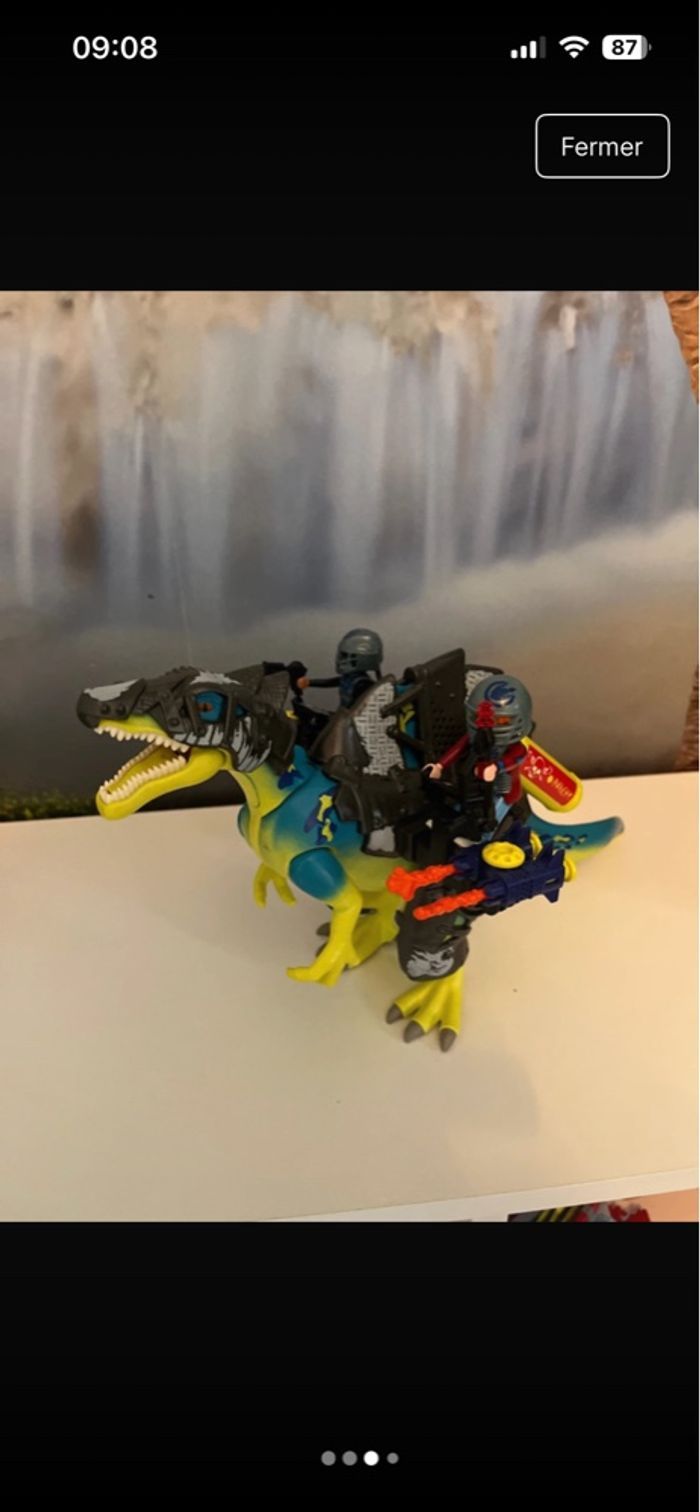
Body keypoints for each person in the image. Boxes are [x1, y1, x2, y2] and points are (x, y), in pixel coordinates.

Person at [424, 674, 533, 807]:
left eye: (502, 721)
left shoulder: (514, 746)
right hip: (477, 780)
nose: (492, 725)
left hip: (504, 782)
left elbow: (517, 756)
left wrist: (497, 767)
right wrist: (439, 766)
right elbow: (458, 748)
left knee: (506, 796)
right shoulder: (475, 735)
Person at [296, 627, 384, 710]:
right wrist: (309, 682)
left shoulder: (363, 685)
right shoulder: (351, 678)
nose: (342, 659)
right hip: (342, 717)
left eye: (345, 655)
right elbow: (331, 682)